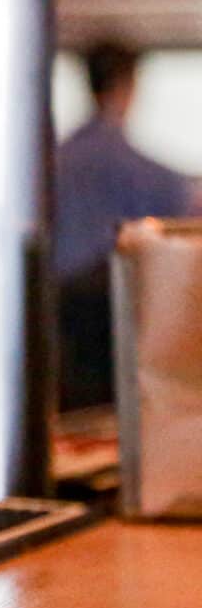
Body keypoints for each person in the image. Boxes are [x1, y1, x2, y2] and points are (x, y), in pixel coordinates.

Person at [54, 41, 198, 410]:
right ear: (128, 85)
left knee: (76, 407)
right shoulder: (142, 170)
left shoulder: (56, 162)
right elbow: (184, 220)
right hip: (113, 308)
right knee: (121, 408)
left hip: (59, 310)